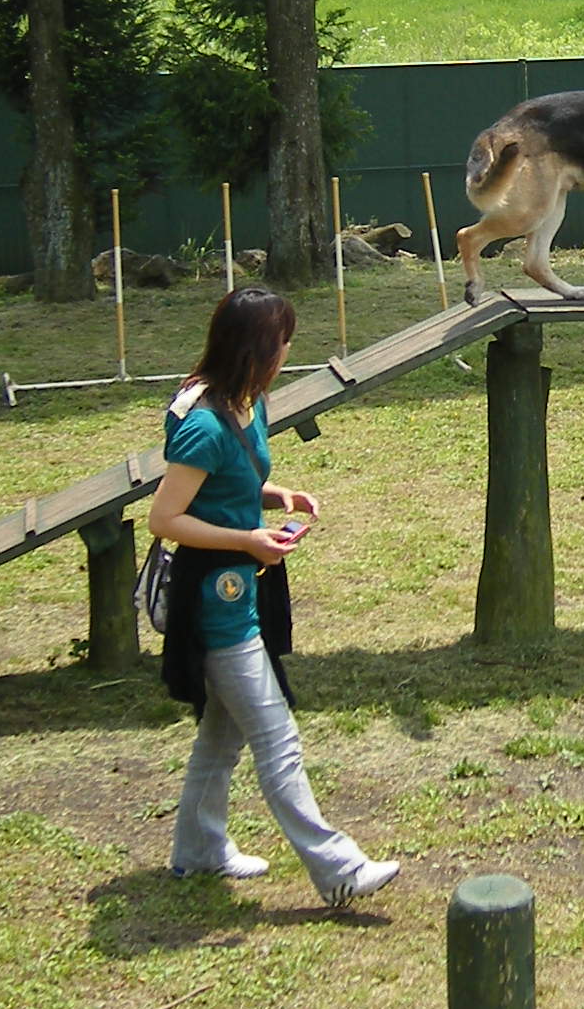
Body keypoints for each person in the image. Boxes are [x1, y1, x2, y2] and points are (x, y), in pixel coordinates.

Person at [149, 286, 400, 909]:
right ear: (258, 348)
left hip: (245, 584)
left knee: (221, 731)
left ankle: (198, 849)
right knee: (275, 735)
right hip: (214, 598)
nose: (289, 350)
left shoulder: (248, 403)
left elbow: (231, 483)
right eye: (284, 340)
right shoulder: (203, 423)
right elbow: (165, 517)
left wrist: (277, 496)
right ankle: (338, 868)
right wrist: (246, 539)